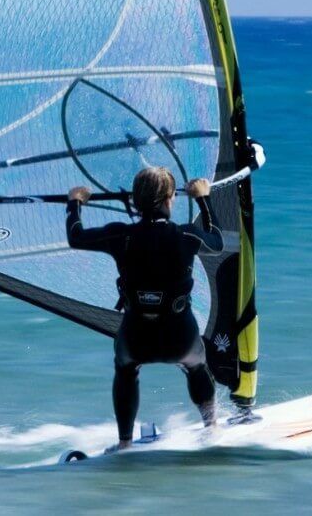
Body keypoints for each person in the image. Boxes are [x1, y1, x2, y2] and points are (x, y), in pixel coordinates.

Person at [67, 166, 225, 450]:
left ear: (135, 202)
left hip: (136, 338)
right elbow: (216, 241)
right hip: (181, 339)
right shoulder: (187, 236)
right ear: (169, 200)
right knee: (198, 366)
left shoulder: (120, 236)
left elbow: (75, 237)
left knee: (125, 369)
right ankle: (212, 429)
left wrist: (75, 202)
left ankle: (124, 444)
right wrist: (203, 198)